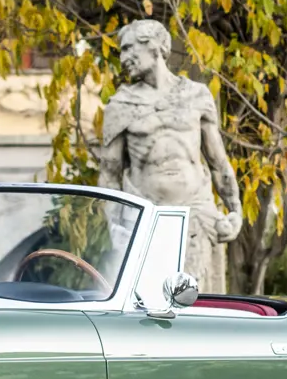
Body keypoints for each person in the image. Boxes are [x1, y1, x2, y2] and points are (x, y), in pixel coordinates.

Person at [95, 18, 244, 293]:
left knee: (202, 309)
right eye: (121, 52)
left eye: (129, 49)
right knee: (150, 310)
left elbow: (218, 162)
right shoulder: (120, 105)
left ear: (153, 46)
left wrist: (235, 209)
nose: (124, 58)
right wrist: (114, 229)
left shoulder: (196, 96)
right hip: (145, 219)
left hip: (198, 215)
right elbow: (109, 174)